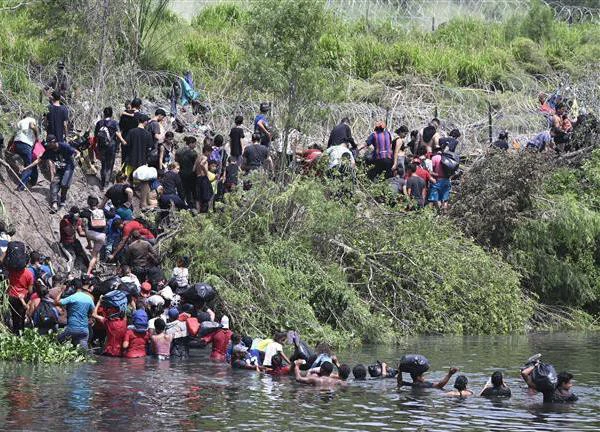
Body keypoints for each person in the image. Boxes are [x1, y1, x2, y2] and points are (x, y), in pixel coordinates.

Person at [23, 135, 80, 212]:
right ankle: (54, 204)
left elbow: (76, 152)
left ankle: (63, 202)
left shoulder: (63, 146)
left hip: (69, 168)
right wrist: (27, 167)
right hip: (60, 169)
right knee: (53, 183)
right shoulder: (49, 151)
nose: (48, 145)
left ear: (54, 142)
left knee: (64, 184)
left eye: (49, 143)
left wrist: (76, 156)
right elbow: (39, 160)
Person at [55, 278, 95, 349]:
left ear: (73, 287)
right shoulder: (89, 298)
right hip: (84, 330)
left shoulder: (72, 297)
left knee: (57, 341)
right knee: (83, 352)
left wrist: (61, 291)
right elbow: (93, 312)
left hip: (72, 328)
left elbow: (56, 302)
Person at [94, 107, 125, 189]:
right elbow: (118, 135)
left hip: (101, 146)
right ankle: (107, 183)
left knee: (103, 164)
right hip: (111, 146)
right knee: (110, 165)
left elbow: (96, 135)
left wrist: (96, 146)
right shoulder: (114, 123)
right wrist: (119, 145)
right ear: (111, 114)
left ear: (104, 113)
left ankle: (102, 182)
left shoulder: (99, 123)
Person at [79, 195, 107, 276]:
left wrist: (84, 210)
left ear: (88, 203)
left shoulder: (87, 212)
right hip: (101, 236)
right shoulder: (103, 211)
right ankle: (90, 270)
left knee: (85, 225)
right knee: (94, 256)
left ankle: (89, 244)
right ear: (98, 203)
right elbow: (112, 214)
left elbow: (80, 214)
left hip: (90, 234)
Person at [13, 113, 39, 191]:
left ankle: (32, 181)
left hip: (17, 144)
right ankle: (21, 187)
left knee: (28, 162)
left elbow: (13, 135)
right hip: (26, 144)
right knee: (29, 166)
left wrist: (9, 147)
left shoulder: (20, 122)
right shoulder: (31, 120)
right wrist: (37, 135)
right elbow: (32, 125)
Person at [7, 264, 34, 334]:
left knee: (14, 315)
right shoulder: (29, 274)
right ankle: (21, 332)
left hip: (12, 296)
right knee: (21, 316)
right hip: (23, 298)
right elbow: (30, 291)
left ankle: (15, 331)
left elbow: (8, 282)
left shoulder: (11, 271)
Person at [428, 143, 453, 213]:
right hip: (447, 180)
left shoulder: (434, 158)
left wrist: (429, 173)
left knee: (434, 198)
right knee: (445, 198)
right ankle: (444, 213)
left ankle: (435, 213)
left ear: (435, 151)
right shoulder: (446, 157)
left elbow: (431, 170)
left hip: (438, 180)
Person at [175, 136, 198, 207]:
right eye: (194, 143)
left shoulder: (179, 151)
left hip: (181, 174)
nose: (195, 145)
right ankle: (191, 206)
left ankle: (181, 205)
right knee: (191, 191)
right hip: (191, 175)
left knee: (182, 190)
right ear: (191, 143)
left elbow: (176, 160)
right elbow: (195, 165)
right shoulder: (194, 153)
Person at [194, 143, 214, 212]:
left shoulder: (198, 157)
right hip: (203, 178)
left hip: (197, 178)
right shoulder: (205, 157)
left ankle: (198, 212)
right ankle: (206, 212)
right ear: (207, 151)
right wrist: (206, 173)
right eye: (210, 152)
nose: (210, 154)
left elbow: (193, 169)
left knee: (198, 198)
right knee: (207, 196)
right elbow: (202, 164)